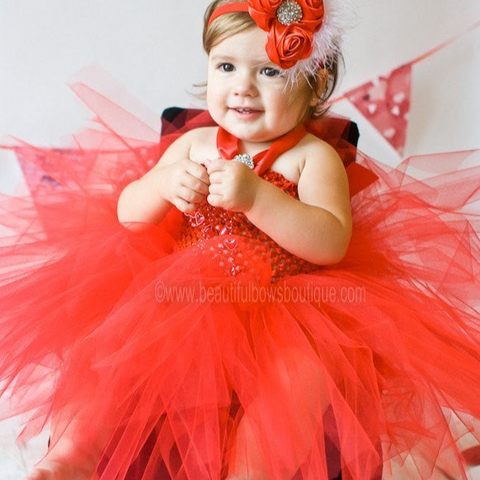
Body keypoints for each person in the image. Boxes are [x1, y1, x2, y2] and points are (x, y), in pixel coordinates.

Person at [1, 1, 480, 479]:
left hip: (290, 307)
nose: (242, 87)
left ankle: (254, 471)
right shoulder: (193, 144)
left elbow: (330, 241)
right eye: (226, 66)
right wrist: (161, 187)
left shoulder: (313, 158)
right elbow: (130, 218)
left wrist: (259, 199)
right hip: (180, 299)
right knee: (107, 358)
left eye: (269, 71)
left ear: (313, 82)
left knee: (293, 386)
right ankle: (72, 457)